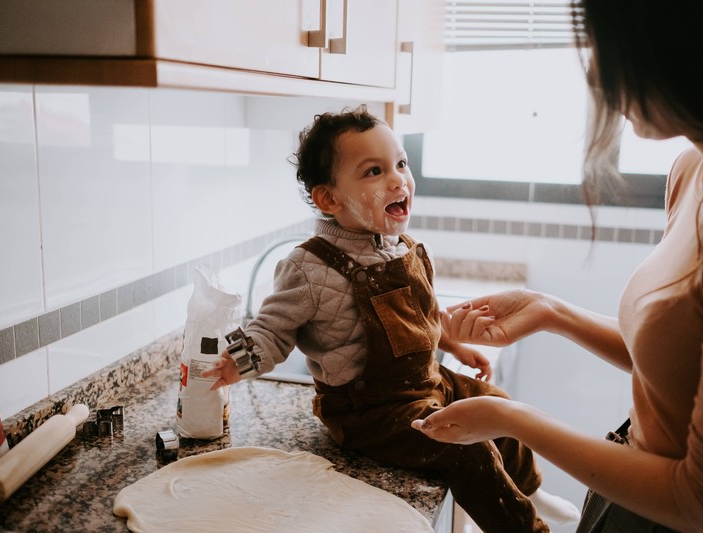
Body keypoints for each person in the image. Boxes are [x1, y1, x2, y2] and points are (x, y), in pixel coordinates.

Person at [412, 1, 703, 532]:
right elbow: (686, 363)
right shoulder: (695, 170)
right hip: (633, 491)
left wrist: (509, 418)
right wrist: (551, 312)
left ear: (696, 41)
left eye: (608, 46)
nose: (595, 72)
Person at [201, 106, 579, 532]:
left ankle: (530, 491)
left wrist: (454, 345)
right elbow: (271, 329)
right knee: (465, 448)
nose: (398, 180)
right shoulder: (308, 267)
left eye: (401, 163)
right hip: (369, 414)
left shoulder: (405, 247)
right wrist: (238, 361)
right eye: (374, 171)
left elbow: (421, 315)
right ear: (329, 199)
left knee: (499, 407)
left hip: (426, 383)